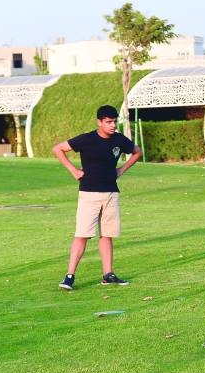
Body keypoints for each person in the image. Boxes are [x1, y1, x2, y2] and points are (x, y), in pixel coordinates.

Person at [53, 105, 142, 290]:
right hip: (89, 193)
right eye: (108, 122)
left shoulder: (119, 139)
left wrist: (121, 170)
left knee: (107, 234)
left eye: (114, 121)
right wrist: (73, 171)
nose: (112, 125)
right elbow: (58, 149)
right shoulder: (87, 139)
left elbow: (137, 152)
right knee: (82, 234)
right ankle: (69, 277)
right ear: (99, 122)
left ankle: (108, 275)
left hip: (111, 193)